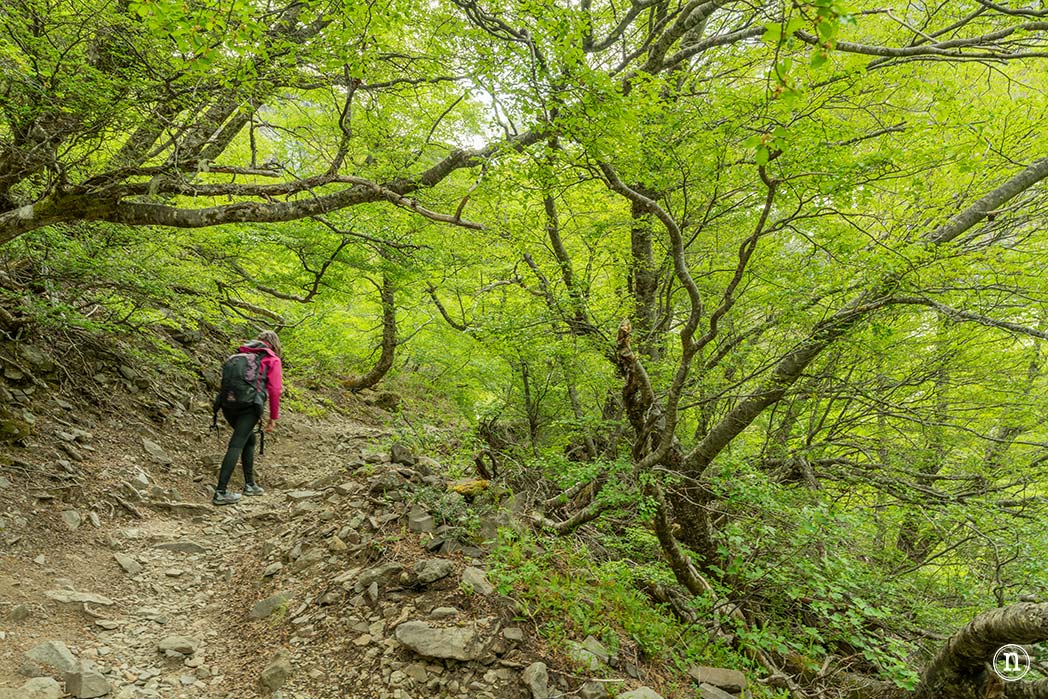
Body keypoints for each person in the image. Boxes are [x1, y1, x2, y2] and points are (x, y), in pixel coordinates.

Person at [211, 330, 283, 505]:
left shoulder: (236, 356)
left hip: (228, 405)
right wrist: (273, 417)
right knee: (236, 444)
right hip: (249, 407)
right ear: (274, 344)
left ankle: (250, 484)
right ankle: (220, 492)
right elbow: (275, 390)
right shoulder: (271, 359)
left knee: (249, 440)